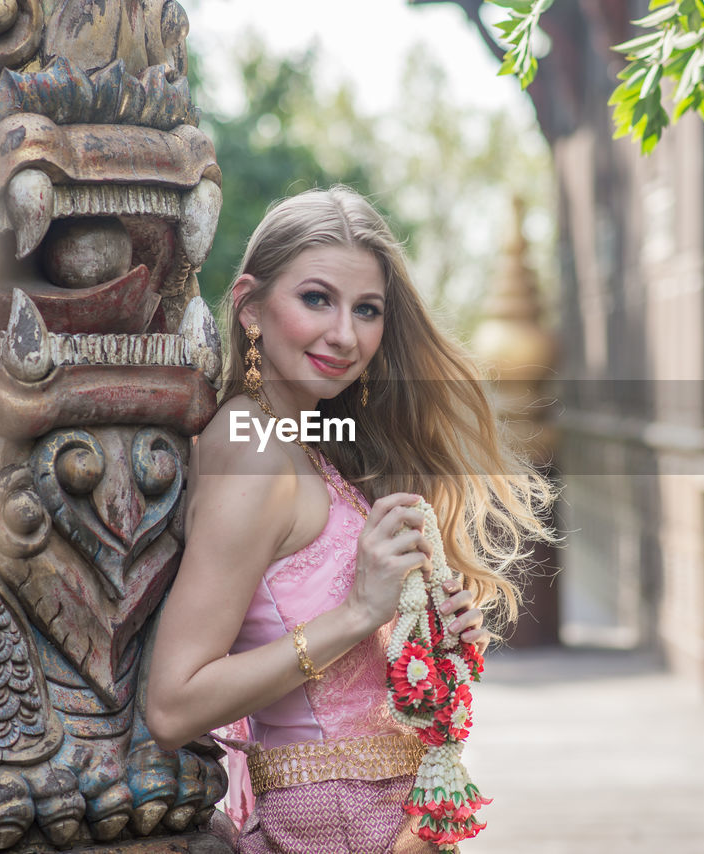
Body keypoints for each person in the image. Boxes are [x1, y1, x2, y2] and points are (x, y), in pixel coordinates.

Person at [146, 187, 555, 853]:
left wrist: (418, 629)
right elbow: (174, 703)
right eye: (316, 299)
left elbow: (319, 640)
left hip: (382, 815)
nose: (345, 334)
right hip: (332, 826)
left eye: (367, 310)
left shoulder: (301, 444)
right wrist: (361, 613)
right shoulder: (251, 454)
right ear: (250, 307)